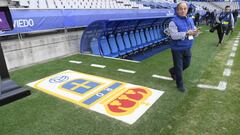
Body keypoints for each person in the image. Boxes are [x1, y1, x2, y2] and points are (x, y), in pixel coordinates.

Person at [168, 2, 199, 92]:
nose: (183, 10)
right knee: (179, 67)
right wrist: (186, 33)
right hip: (177, 48)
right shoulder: (173, 22)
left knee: (187, 64)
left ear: (187, 10)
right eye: (181, 9)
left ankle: (172, 71)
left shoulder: (190, 19)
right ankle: (179, 85)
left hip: (187, 46)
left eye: (185, 8)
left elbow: (193, 30)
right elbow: (174, 36)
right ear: (177, 10)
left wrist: (196, 32)